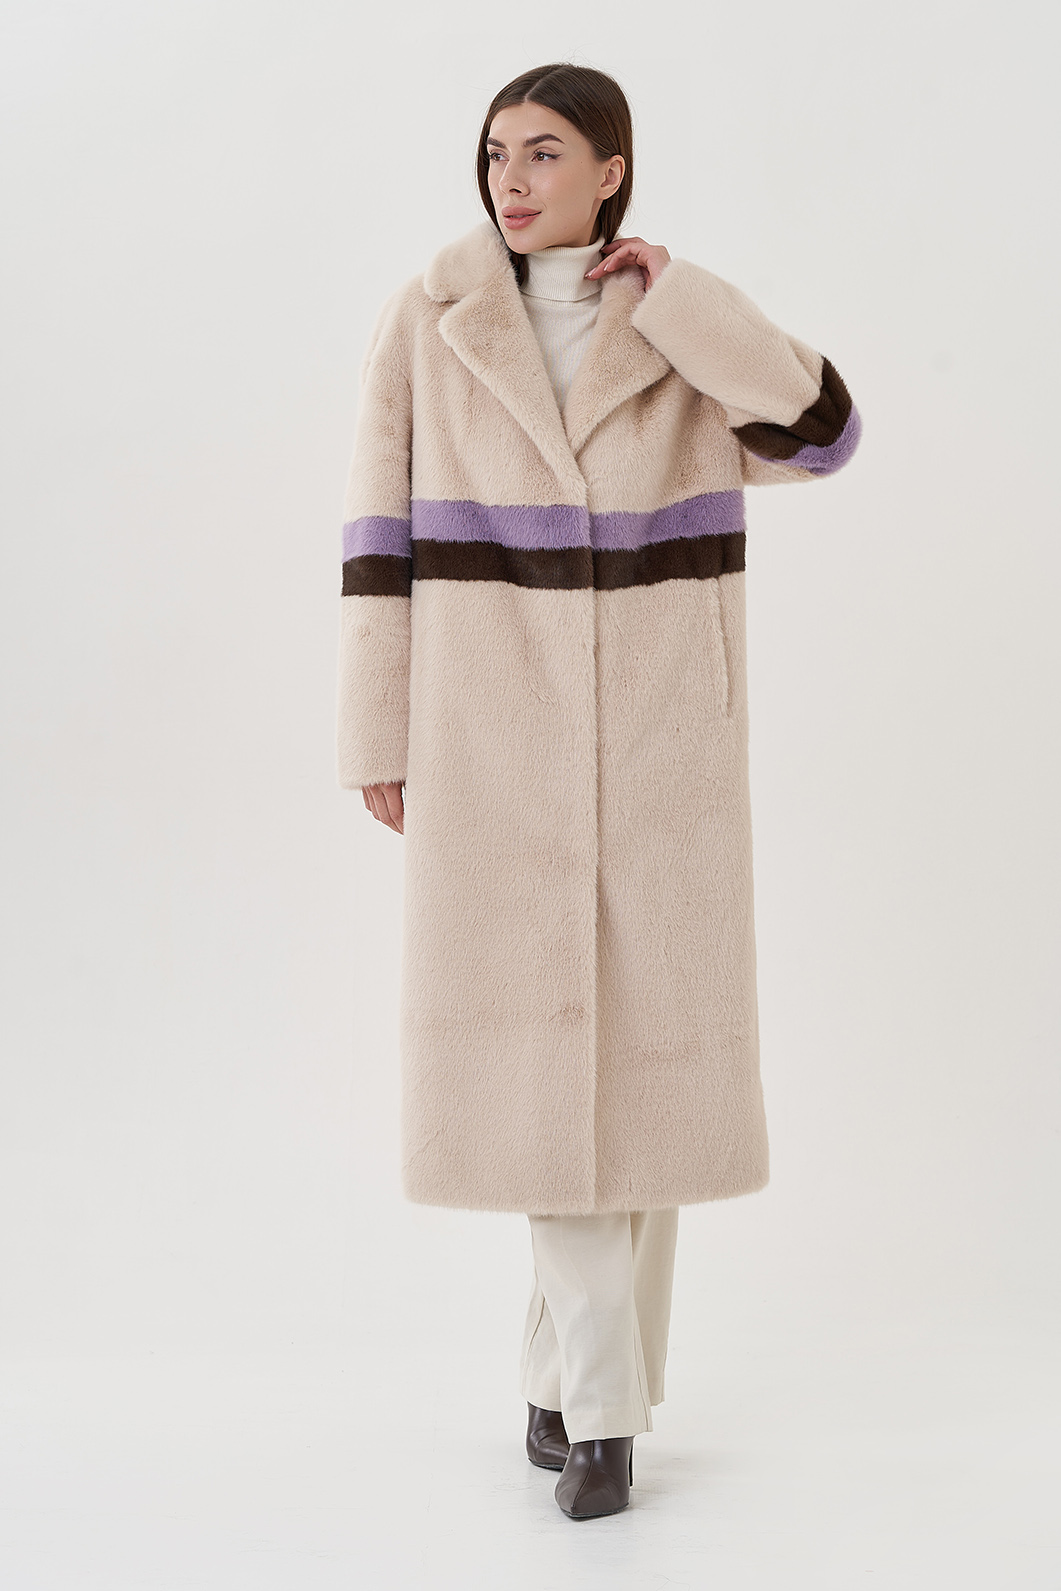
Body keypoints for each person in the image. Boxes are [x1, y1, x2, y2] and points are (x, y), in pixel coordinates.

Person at [338, 62, 862, 1520]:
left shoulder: (673, 327)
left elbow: (824, 435)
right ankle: (610, 1418)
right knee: (533, 1075)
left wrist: (686, 301)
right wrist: (377, 729)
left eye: (545, 153)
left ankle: (561, 1375)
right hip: (489, 741)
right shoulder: (428, 319)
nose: (511, 181)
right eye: (496, 154)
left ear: (611, 171)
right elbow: (376, 537)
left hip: (661, 745)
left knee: (648, 1088)